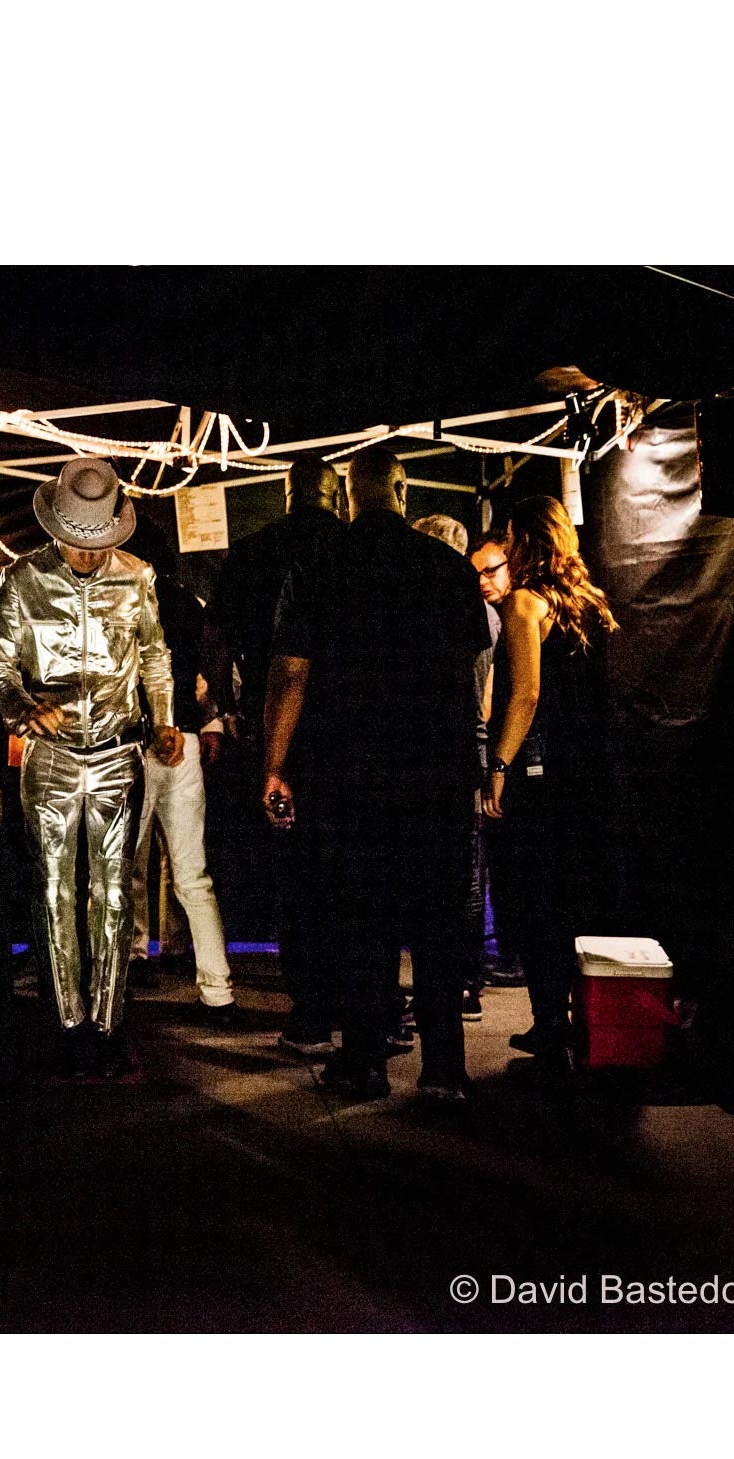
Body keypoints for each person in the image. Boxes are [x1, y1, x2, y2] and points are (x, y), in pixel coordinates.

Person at [263, 445, 490, 1102]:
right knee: (440, 920)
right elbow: (474, 663)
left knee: (360, 920)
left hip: (348, 770)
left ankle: (363, 1061)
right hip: (437, 768)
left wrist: (276, 764)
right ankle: (445, 1069)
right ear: (403, 487)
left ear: (351, 495)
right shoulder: (449, 569)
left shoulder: (319, 566)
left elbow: (294, 673)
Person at [0, 457, 184, 1079]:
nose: (89, 554)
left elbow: (154, 654)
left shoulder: (139, 578)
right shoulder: (21, 580)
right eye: (77, 542)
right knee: (53, 890)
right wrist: (22, 708)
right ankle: (67, 1023)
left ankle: (109, 1023)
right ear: (56, 530)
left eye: (99, 543)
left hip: (120, 753)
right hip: (52, 758)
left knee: (116, 893)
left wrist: (166, 717)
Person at [481, 494, 618, 1073]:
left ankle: (549, 1026)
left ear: (526, 541)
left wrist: (499, 768)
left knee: (537, 899)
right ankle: (584, 1024)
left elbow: (526, 695)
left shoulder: (523, 604)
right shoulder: (588, 602)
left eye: (510, 539)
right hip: (589, 772)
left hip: (541, 773)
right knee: (576, 898)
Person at [211, 456, 343, 1053]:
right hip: (357, 735)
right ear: (335, 494)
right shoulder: (351, 549)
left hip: (279, 733)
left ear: (287, 493)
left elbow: (218, 643)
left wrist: (227, 705)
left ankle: (311, 1008)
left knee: (297, 876)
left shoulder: (251, 553)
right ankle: (370, 1008)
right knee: (362, 874)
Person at [124, 531, 238, 1024]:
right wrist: (210, 721)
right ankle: (219, 991)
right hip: (183, 743)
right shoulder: (191, 604)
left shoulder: (121, 601)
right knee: (194, 875)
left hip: (131, 743)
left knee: (124, 867)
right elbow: (214, 670)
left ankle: (125, 966)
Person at [418, 515, 501, 1021]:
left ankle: (463, 984)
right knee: (461, 877)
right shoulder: (478, 611)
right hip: (464, 757)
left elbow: (476, 702)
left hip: (457, 758)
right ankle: (459, 985)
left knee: (462, 880)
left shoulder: (466, 610)